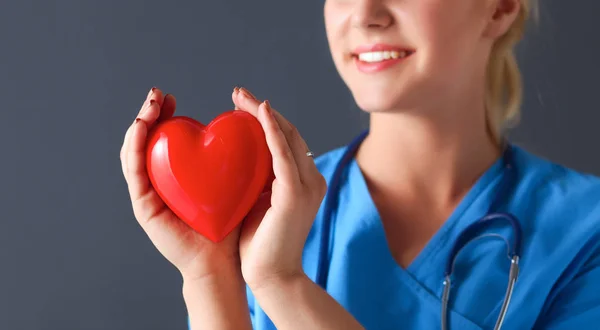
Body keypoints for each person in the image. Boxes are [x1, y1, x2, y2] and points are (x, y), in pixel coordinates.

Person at [120, 0, 600, 329]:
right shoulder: (250, 211)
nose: (366, 13)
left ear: (500, 6)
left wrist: (281, 284)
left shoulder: (585, 235)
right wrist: (210, 276)